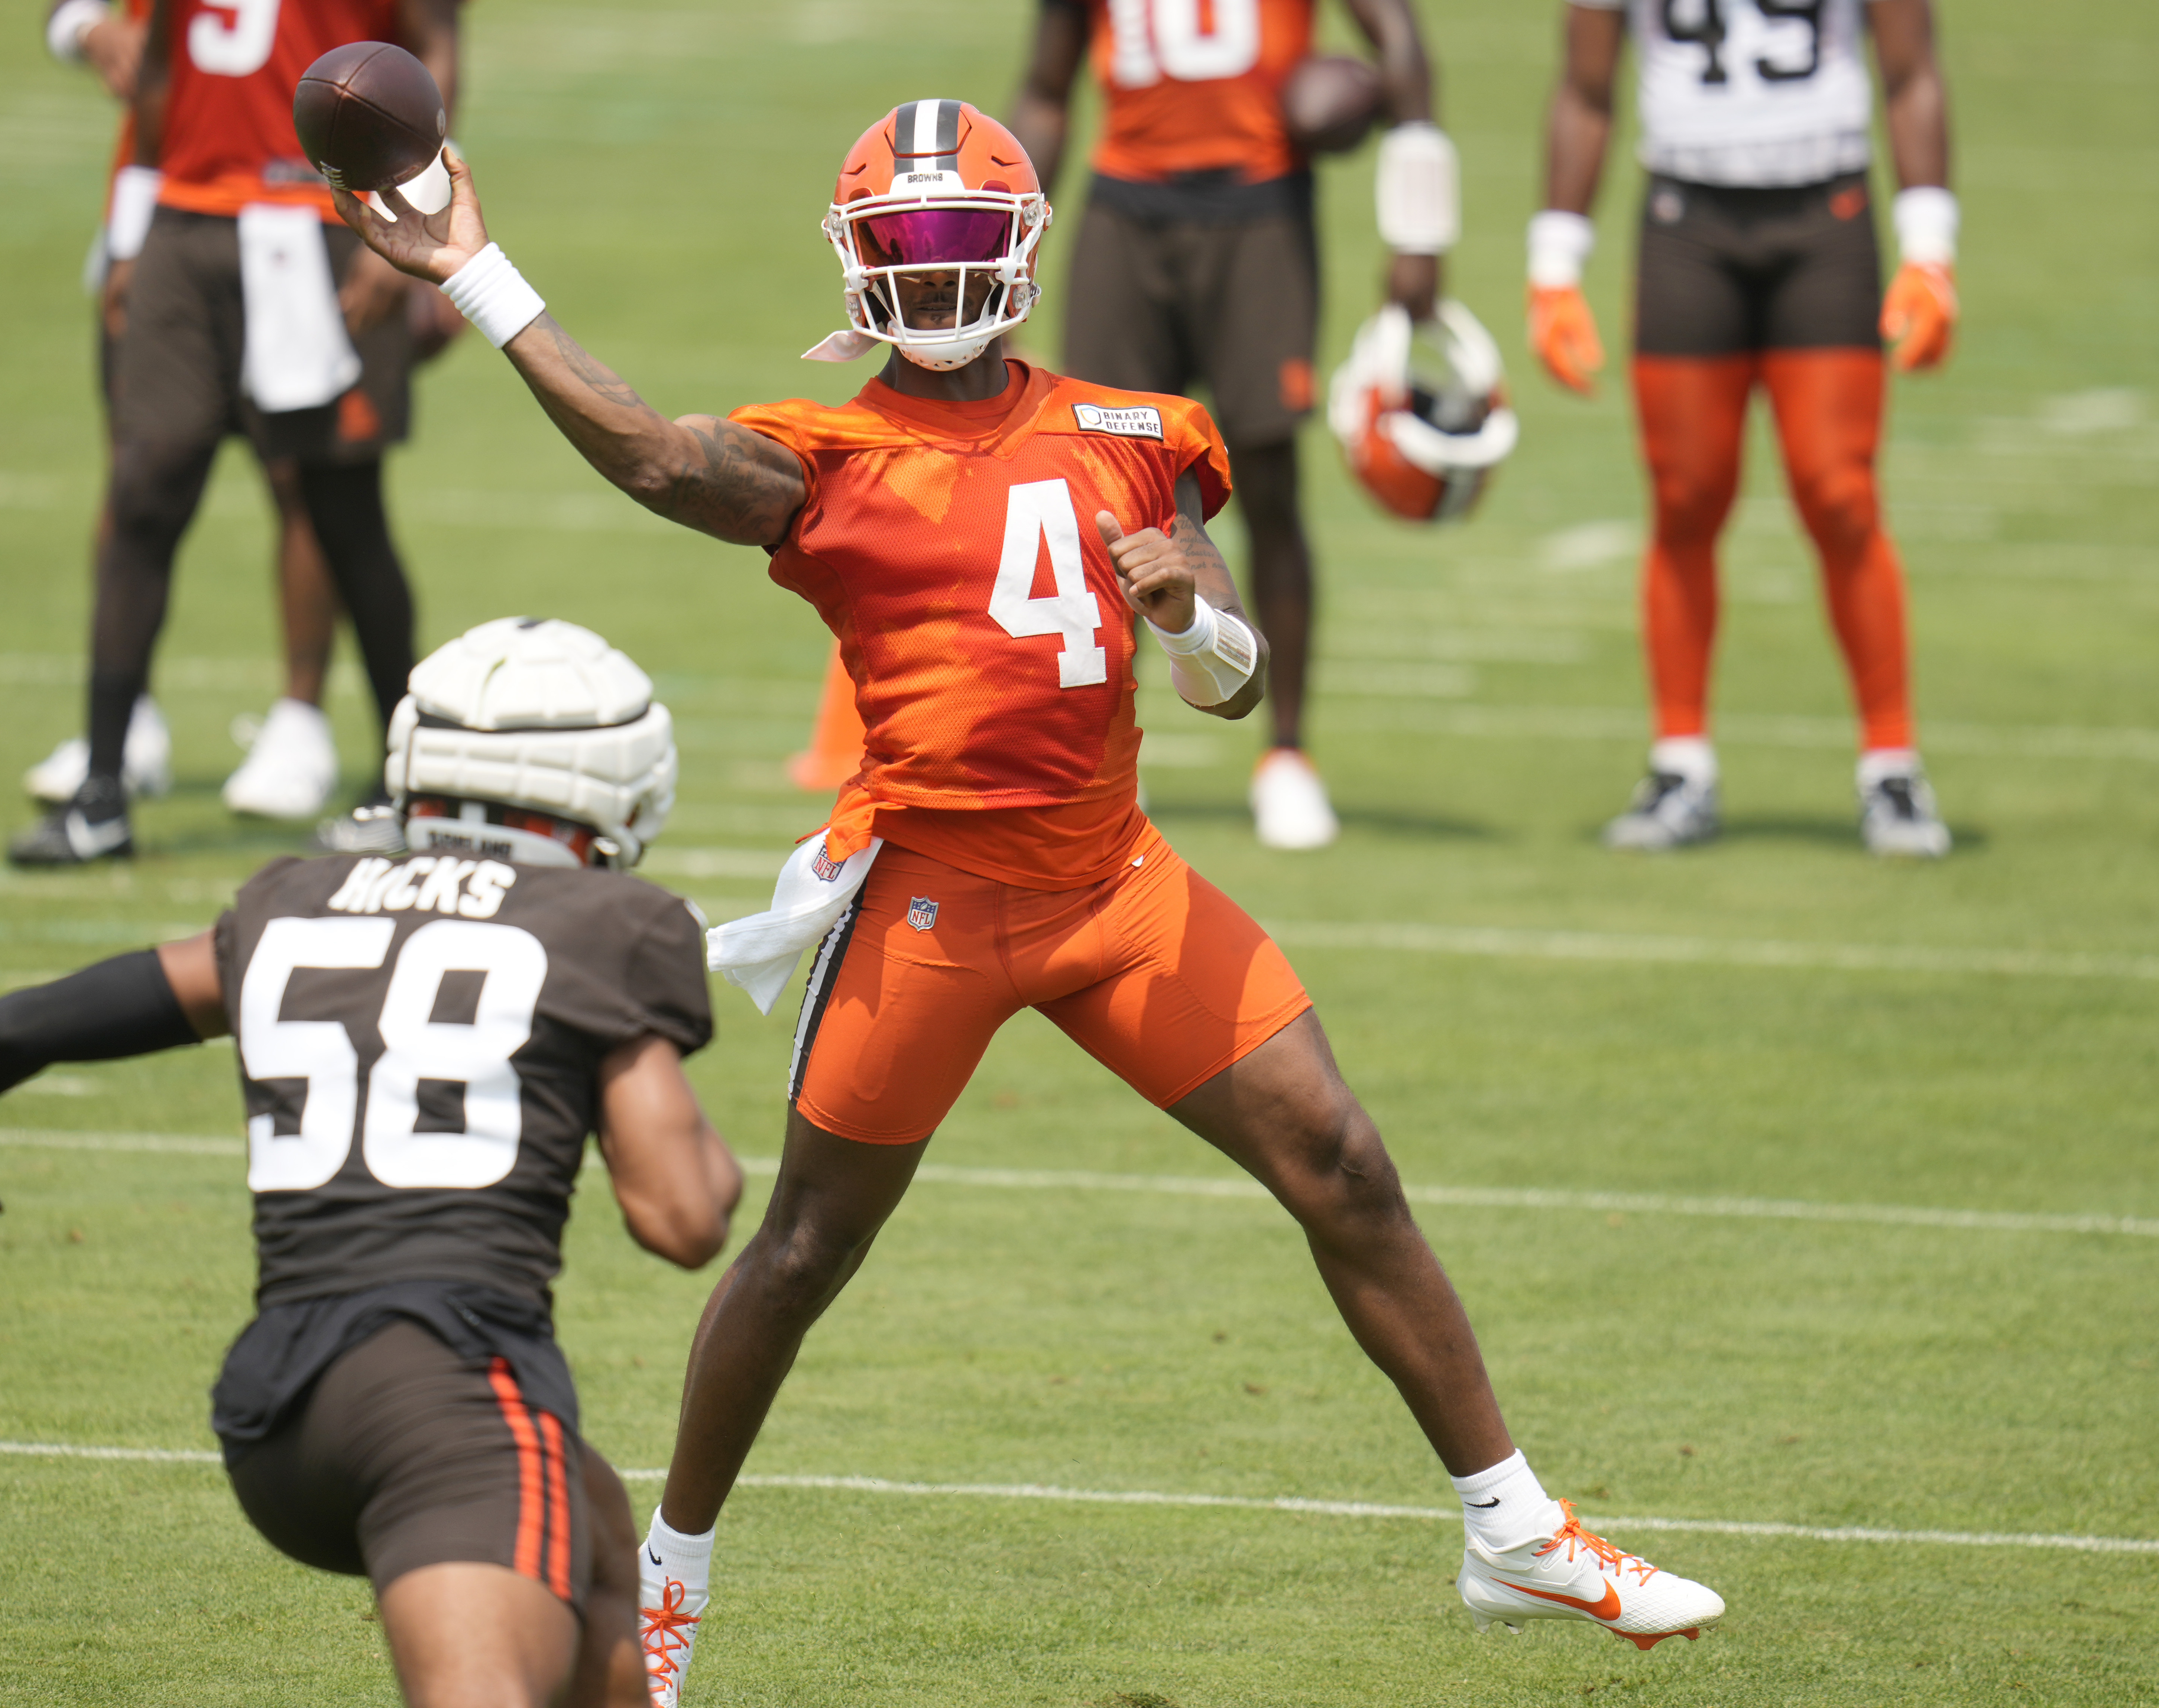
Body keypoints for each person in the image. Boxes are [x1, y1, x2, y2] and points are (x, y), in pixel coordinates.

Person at [333, 103, 1727, 1706]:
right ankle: (666, 1579)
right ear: (860, 270)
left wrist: (1194, 628)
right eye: (903, 250)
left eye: (955, 243)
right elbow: (652, 451)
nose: (932, 278)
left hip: (1114, 884)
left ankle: (1509, 1527)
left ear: (1020, 246)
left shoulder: (1136, 427)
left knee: (1341, 1161)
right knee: (797, 1253)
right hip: (930, 903)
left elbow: (1229, 677)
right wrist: (471, 270)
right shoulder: (824, 456)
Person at [0, 617, 745, 1708]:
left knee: (593, 1527)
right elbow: (682, 1217)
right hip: (446, 1402)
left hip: (276, 1413)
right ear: (620, 786)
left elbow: (22, 1026)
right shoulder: (607, 926)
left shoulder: (294, 899)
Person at [9, 0, 466, 867]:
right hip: (186, 220)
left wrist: (409, 222)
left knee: (341, 508)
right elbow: (153, 63)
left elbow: (433, 49)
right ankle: (101, 791)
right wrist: (131, 225)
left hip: (321, 217)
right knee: (144, 486)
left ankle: (408, 786)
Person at [1004, 0, 1456, 849]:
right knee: (1097, 494)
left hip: (1258, 209)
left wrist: (1419, 232)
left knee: (1267, 482)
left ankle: (1285, 754)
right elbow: (1044, 89)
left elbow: (1396, 36)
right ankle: (1098, 759)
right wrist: (1007, 253)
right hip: (1123, 209)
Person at [1528, 0, 1958, 857]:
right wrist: (1553, 263)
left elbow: (1909, 68)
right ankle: (1680, 760)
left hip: (1823, 211)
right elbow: (1585, 85)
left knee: (1839, 494)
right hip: (1687, 219)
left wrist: (1928, 247)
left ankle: (1891, 765)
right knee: (1684, 497)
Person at [34, 0, 352, 824]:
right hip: (165, 200)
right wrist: (87, 32)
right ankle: (127, 718)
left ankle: (300, 718)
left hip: (293, 211)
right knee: (139, 470)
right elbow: (76, 16)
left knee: (306, 480)